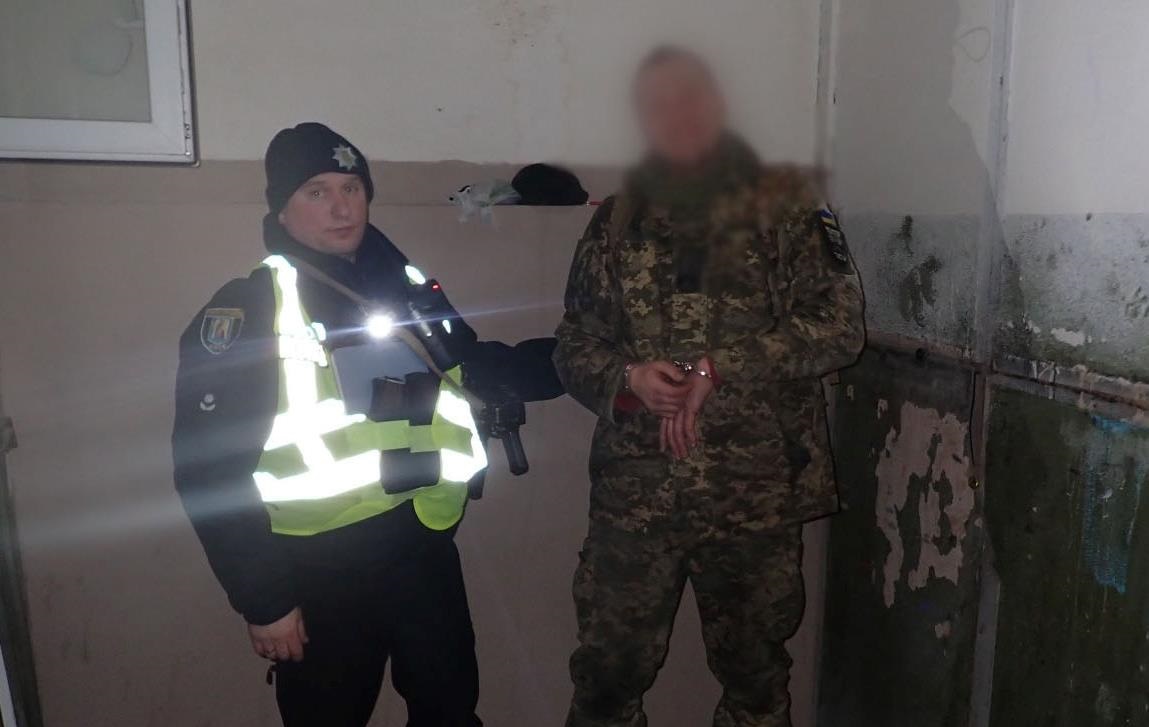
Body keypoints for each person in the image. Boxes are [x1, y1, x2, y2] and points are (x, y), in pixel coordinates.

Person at [172, 122, 561, 727]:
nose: (341, 207)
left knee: (451, 712)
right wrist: (265, 600)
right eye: (317, 191)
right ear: (282, 208)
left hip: (423, 550)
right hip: (321, 573)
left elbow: (470, 367)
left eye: (351, 188)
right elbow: (208, 469)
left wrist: (589, 363)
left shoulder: (406, 289)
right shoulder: (251, 308)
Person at [554, 47, 866, 727]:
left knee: (756, 684)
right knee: (606, 680)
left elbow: (839, 329)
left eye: (688, 97)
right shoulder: (616, 221)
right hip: (637, 499)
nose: (677, 115)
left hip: (751, 496)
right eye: (657, 104)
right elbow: (573, 343)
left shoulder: (787, 208)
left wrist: (721, 366)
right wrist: (628, 379)